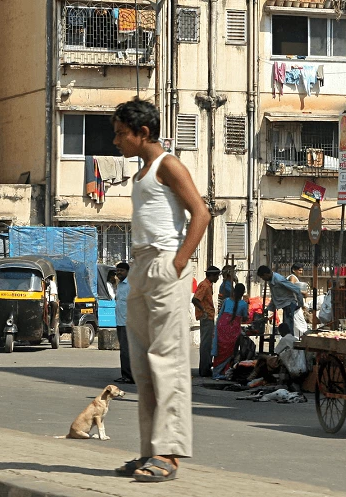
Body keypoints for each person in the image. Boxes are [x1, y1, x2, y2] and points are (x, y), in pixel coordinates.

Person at [113, 98, 209, 482]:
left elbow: (200, 213)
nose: (117, 141)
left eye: (122, 134)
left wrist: (179, 262)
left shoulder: (168, 165)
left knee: (167, 362)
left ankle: (168, 455)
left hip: (165, 264)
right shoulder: (140, 175)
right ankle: (148, 452)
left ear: (143, 133)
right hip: (140, 267)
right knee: (143, 366)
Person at [213, 283, 249, 379]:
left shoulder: (227, 300)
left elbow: (220, 315)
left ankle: (217, 371)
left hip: (222, 326)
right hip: (233, 329)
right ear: (243, 293)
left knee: (221, 350)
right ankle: (223, 371)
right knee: (230, 351)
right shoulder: (244, 304)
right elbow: (245, 317)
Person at [257, 265, 304, 337]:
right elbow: (275, 297)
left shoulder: (278, 279)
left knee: (288, 328)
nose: (263, 279)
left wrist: (300, 304)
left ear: (266, 274)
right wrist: (268, 309)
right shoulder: (271, 281)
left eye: (262, 277)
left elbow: (296, 289)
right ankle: (287, 343)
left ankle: (290, 344)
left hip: (289, 304)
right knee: (286, 328)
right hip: (285, 306)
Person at [193, 266, 221, 377]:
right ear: (211, 275)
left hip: (208, 317)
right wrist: (203, 311)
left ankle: (205, 368)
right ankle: (204, 370)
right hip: (206, 317)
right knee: (206, 345)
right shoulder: (204, 285)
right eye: (217, 276)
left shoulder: (208, 285)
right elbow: (195, 299)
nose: (218, 278)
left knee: (208, 344)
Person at [114, 262, 134, 384]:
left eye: (121, 270)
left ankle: (129, 376)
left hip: (129, 322)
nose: (119, 272)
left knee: (127, 351)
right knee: (124, 350)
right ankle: (126, 374)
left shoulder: (130, 285)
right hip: (120, 322)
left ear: (128, 271)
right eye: (117, 270)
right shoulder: (120, 285)